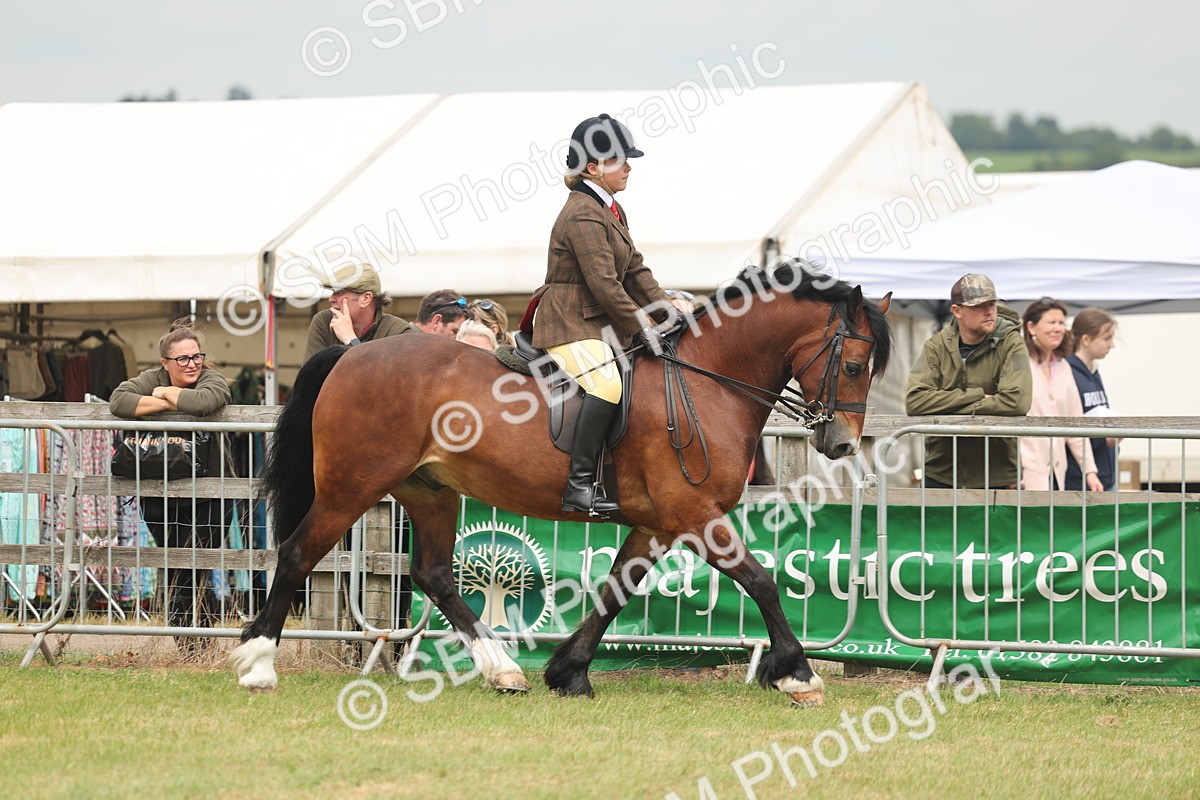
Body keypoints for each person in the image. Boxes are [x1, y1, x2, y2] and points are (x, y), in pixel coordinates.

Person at [527, 113, 672, 517]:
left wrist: (669, 312)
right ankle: (579, 486)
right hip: (570, 322)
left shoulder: (610, 208)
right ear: (592, 167)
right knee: (607, 385)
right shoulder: (583, 213)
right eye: (619, 160)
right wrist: (644, 326)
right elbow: (607, 285)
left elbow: (635, 269)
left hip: (595, 322)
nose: (629, 166)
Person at [109, 318, 232, 653]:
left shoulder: (211, 379)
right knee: (176, 566)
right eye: (183, 359)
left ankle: (201, 645)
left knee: (199, 567)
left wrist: (162, 396)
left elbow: (207, 401)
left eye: (196, 356)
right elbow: (119, 402)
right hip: (160, 493)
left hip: (212, 494)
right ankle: (189, 646)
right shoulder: (150, 379)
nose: (192, 364)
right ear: (165, 363)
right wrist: (169, 398)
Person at [906, 274, 1032, 489]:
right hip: (940, 472)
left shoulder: (1012, 342)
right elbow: (915, 401)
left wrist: (945, 406)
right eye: (979, 306)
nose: (989, 311)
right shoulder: (935, 346)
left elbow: (1017, 402)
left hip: (996, 475)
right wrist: (978, 396)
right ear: (957, 311)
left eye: (992, 303)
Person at [1020, 298, 1103, 492]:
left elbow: (1075, 424)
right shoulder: (1019, 364)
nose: (1058, 328)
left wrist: (1090, 472)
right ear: (1031, 327)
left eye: (1061, 323)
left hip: (1057, 474)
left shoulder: (1064, 366)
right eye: (1051, 322)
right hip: (1023, 473)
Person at [304, 263, 416, 361]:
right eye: (333, 292)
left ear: (365, 299)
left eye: (339, 292)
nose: (331, 299)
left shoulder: (397, 331)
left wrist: (350, 340)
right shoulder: (323, 321)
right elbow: (309, 378)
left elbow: (389, 381)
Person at [1065, 308, 1119, 491]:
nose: (1112, 345)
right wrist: (1104, 438)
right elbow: (1067, 427)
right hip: (1079, 479)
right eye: (1106, 338)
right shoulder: (1068, 373)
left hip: (1104, 475)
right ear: (1086, 340)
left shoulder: (1094, 371)